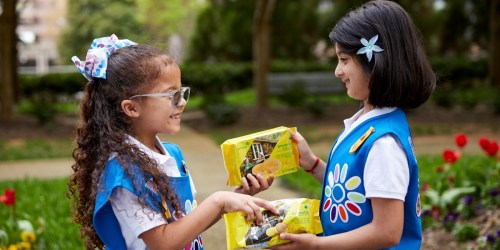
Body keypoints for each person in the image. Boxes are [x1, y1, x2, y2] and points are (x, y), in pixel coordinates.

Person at [68, 34, 277, 250]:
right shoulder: (123, 173)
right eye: (171, 95)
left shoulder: (172, 154)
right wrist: (218, 201)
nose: (183, 101)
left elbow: (187, 226)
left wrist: (237, 198)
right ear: (131, 108)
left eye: (182, 92)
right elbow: (163, 243)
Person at [273, 1, 436, 249]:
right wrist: (313, 164)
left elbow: (387, 232)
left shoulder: (384, 143)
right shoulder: (366, 120)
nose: (337, 71)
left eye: (344, 59)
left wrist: (316, 246)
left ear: (376, 61)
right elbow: (354, 189)